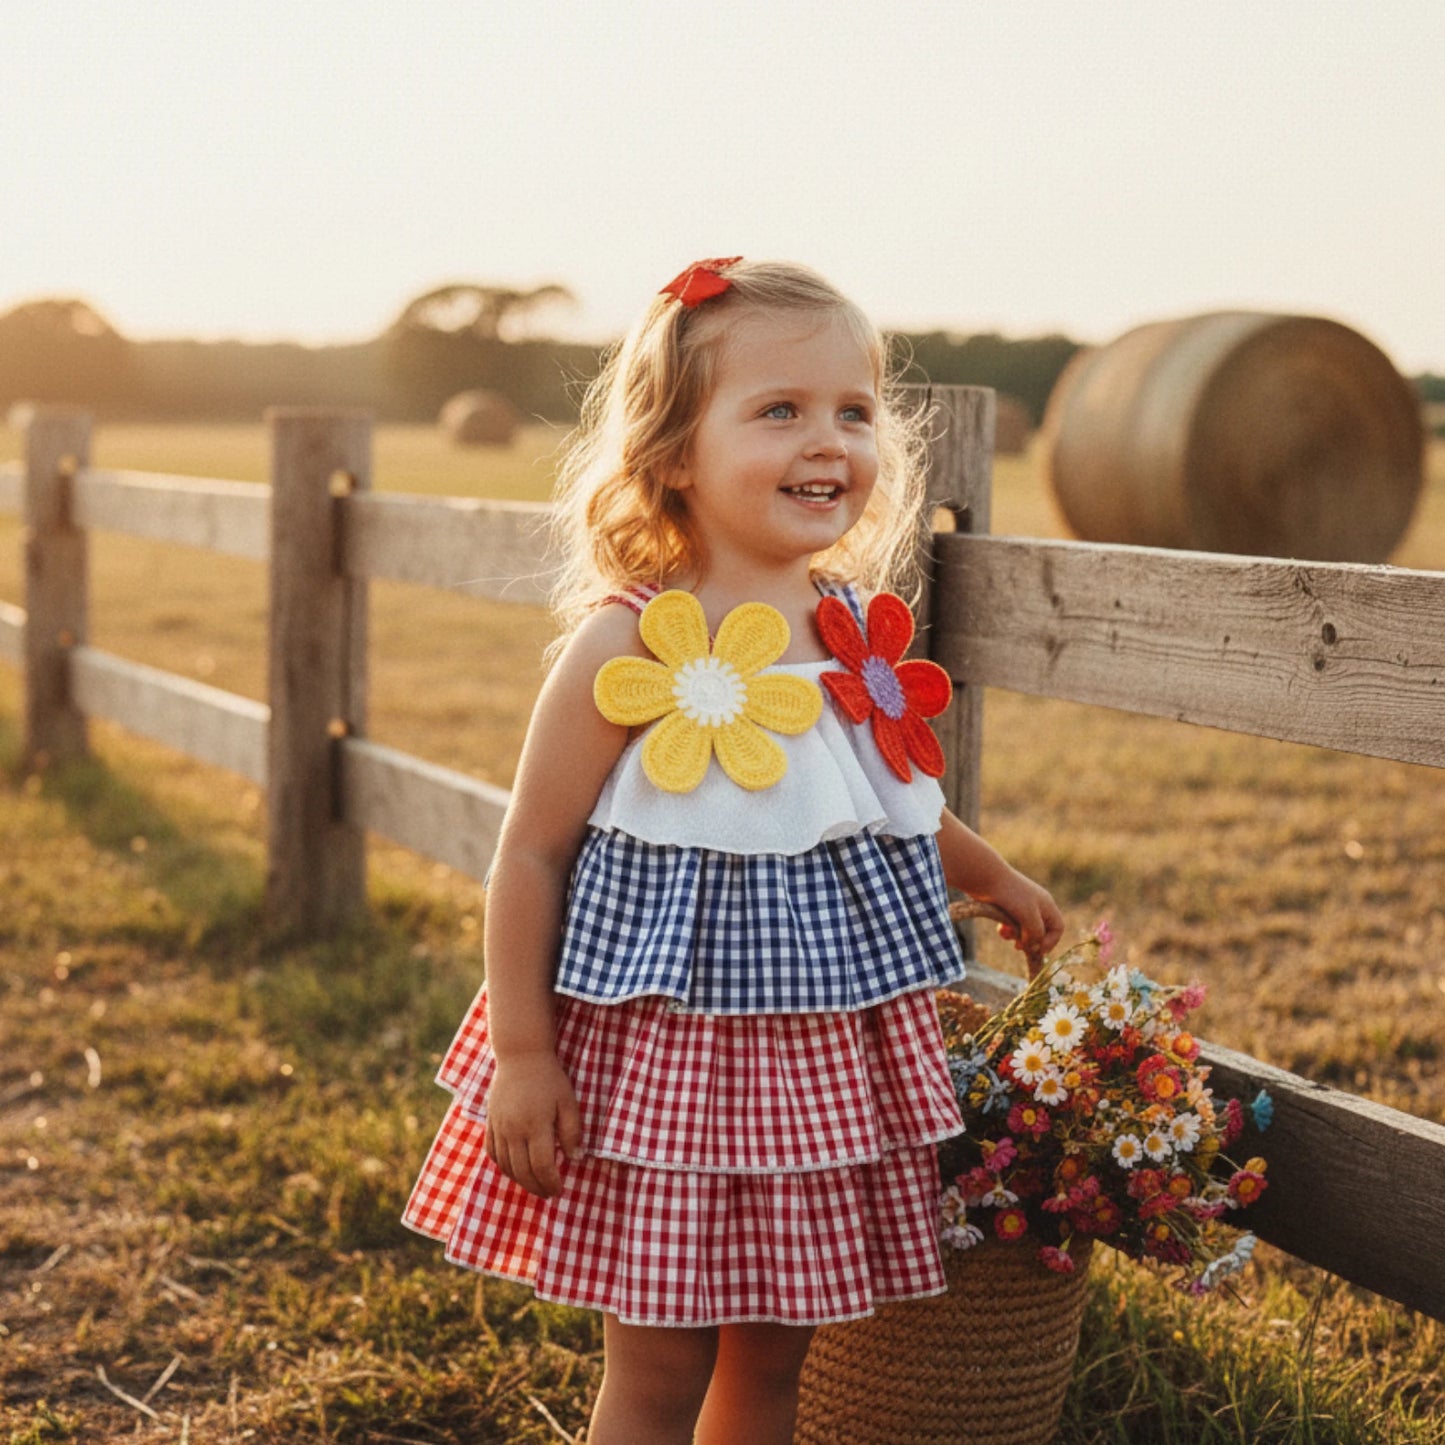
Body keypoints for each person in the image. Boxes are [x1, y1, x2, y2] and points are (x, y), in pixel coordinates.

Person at [403, 257, 1064, 1445]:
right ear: (672, 452)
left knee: (771, 1364)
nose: (828, 442)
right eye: (778, 409)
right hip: (662, 1082)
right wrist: (523, 1054)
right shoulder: (627, 642)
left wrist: (990, 875)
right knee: (661, 1368)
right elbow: (530, 854)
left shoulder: (851, 632)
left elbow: (892, 799)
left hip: (818, 1082)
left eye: (852, 411)